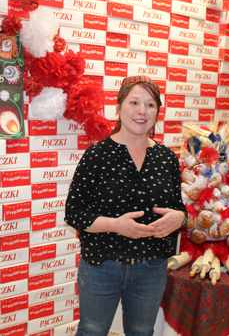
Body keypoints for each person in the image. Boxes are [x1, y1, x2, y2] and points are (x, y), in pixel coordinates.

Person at [65, 75, 188, 336]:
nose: (142, 111)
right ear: (119, 108)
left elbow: (179, 208)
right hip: (102, 265)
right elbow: (74, 213)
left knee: (142, 331)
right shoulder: (97, 155)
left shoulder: (167, 158)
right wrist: (115, 226)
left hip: (152, 267)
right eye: (134, 102)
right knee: (92, 330)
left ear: (157, 111)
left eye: (151, 104)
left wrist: (180, 218)